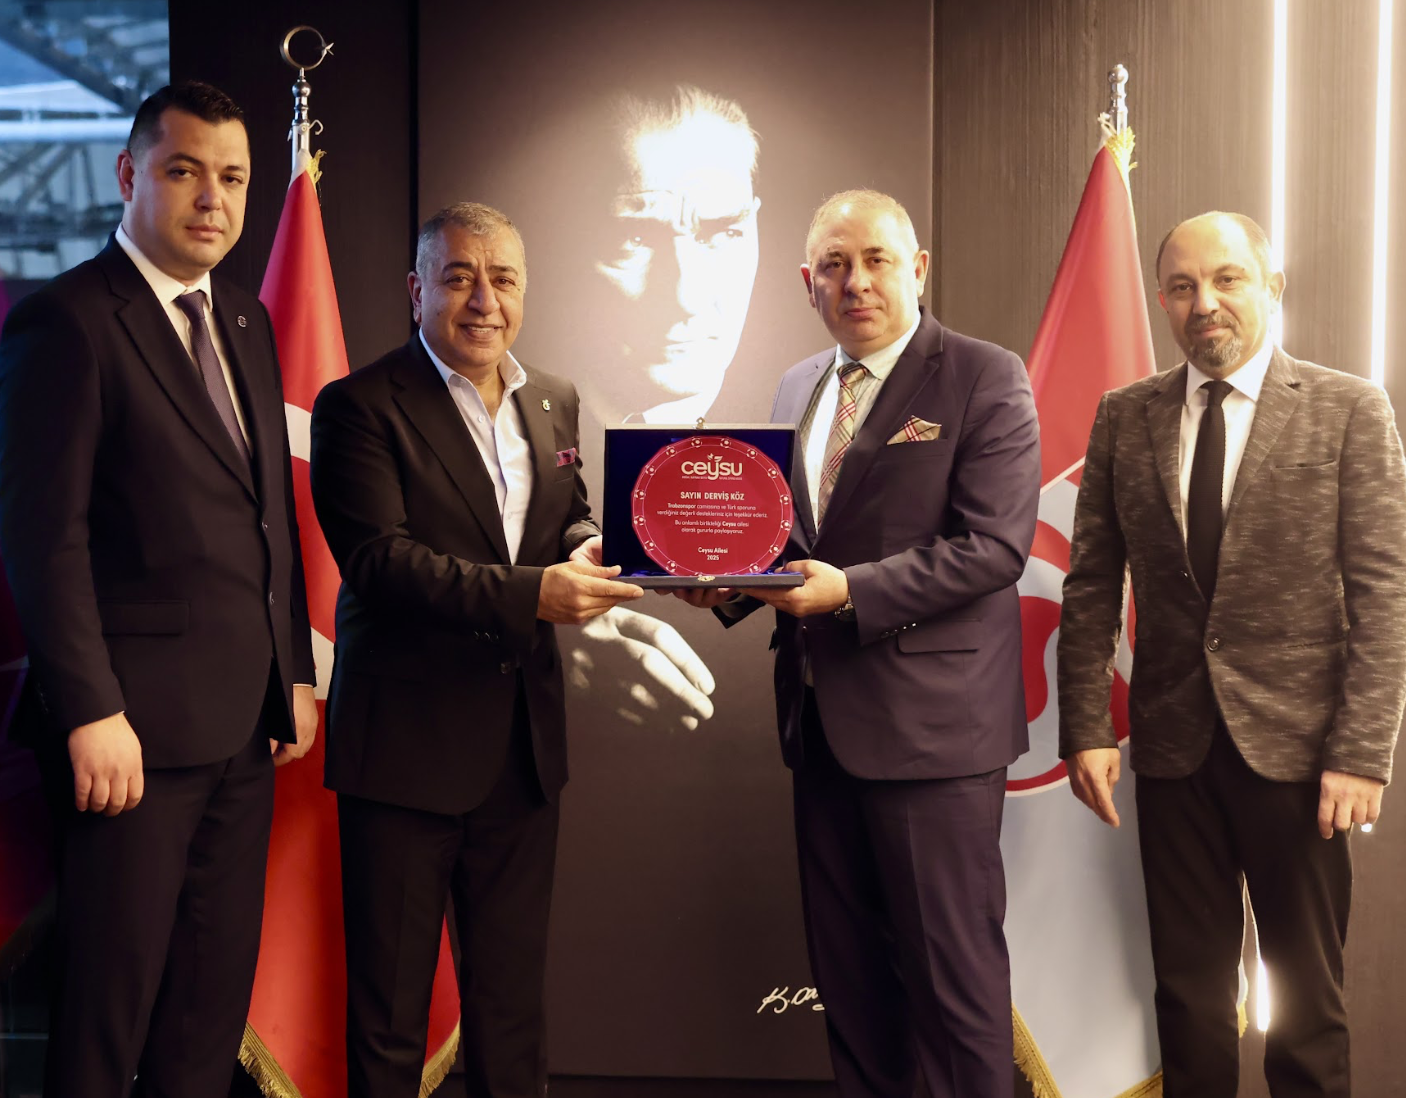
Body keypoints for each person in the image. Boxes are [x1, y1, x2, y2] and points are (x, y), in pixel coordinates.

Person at [676, 189, 1041, 1097]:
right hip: (818, 730)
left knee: (954, 995)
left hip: (934, 740)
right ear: (807, 282)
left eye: (877, 260)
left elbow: (994, 549)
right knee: (853, 993)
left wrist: (852, 593)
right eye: (835, 265)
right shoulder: (796, 386)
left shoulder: (985, 376)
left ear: (918, 269)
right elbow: (788, 547)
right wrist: (725, 583)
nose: (857, 282)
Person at [0, 81, 318, 1098]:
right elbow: (43, 541)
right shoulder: (65, 323)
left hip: (244, 731)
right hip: (126, 742)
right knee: (107, 1021)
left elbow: (269, 513)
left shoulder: (245, 318)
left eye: (232, 177)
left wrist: (292, 672)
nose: (212, 199)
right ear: (129, 174)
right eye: (184, 171)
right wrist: (90, 711)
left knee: (203, 1020)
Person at [1057, 210, 1406, 1098]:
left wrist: (1363, 753)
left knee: (1308, 1009)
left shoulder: (1349, 409)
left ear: (1272, 287)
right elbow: (1092, 583)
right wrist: (1085, 726)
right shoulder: (1124, 416)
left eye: (1227, 279)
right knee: (1188, 1000)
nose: (1203, 303)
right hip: (1173, 753)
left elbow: (1385, 595)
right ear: (1162, 301)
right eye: (1181, 287)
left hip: (1305, 760)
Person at [309, 202, 643, 1098]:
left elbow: (567, 519)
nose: (483, 300)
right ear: (417, 290)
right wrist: (536, 593)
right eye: (459, 277)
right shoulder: (358, 406)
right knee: (390, 1021)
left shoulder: (553, 398)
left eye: (503, 279)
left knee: (512, 1014)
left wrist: (590, 548)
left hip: (521, 757)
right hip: (404, 758)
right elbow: (380, 564)